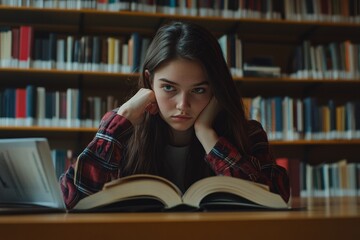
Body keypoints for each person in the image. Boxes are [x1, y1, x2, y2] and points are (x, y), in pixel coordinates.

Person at [60, 21, 290, 209]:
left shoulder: (248, 133)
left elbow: (276, 200)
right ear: (150, 82)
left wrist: (207, 135)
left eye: (199, 90)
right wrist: (124, 115)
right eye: (169, 88)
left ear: (216, 89)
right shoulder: (122, 129)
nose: (183, 105)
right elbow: (72, 197)